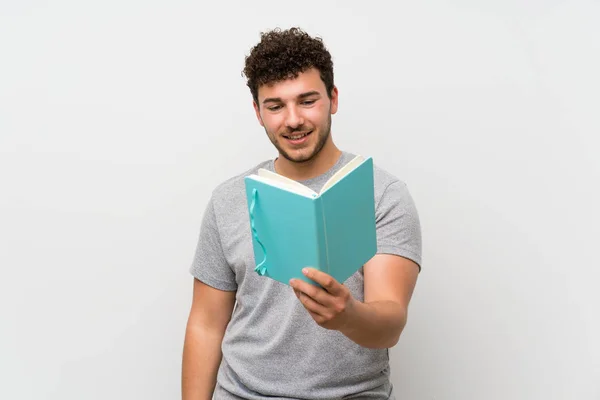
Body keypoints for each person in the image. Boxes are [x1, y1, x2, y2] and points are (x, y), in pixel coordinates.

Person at [182, 27, 422, 400]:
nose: (292, 120)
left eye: (307, 100)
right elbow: (206, 324)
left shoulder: (382, 194)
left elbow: (389, 322)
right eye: (275, 106)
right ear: (258, 112)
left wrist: (348, 317)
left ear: (333, 99)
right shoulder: (228, 199)